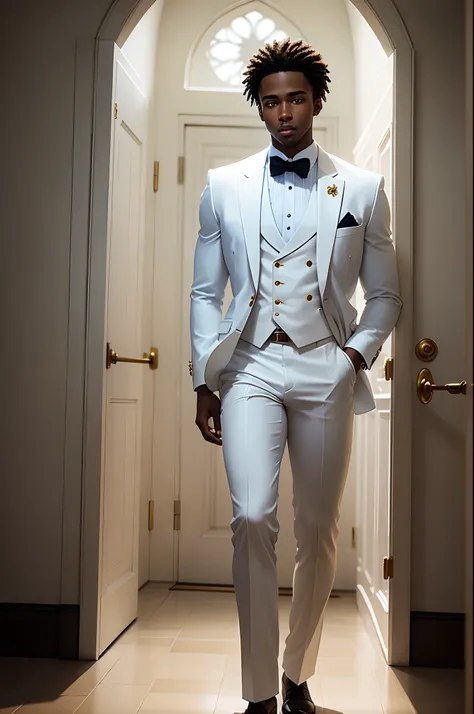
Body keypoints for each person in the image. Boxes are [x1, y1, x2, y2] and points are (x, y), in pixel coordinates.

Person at [190, 38, 401, 714]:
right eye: (272, 101)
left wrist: (354, 357)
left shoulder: (362, 190)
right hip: (249, 366)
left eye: (296, 99)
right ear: (261, 106)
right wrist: (203, 377)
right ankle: (256, 694)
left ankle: (295, 675)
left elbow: (387, 295)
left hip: (325, 368)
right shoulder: (222, 185)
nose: (285, 112)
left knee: (318, 526)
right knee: (252, 517)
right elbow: (205, 293)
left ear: (316, 102)